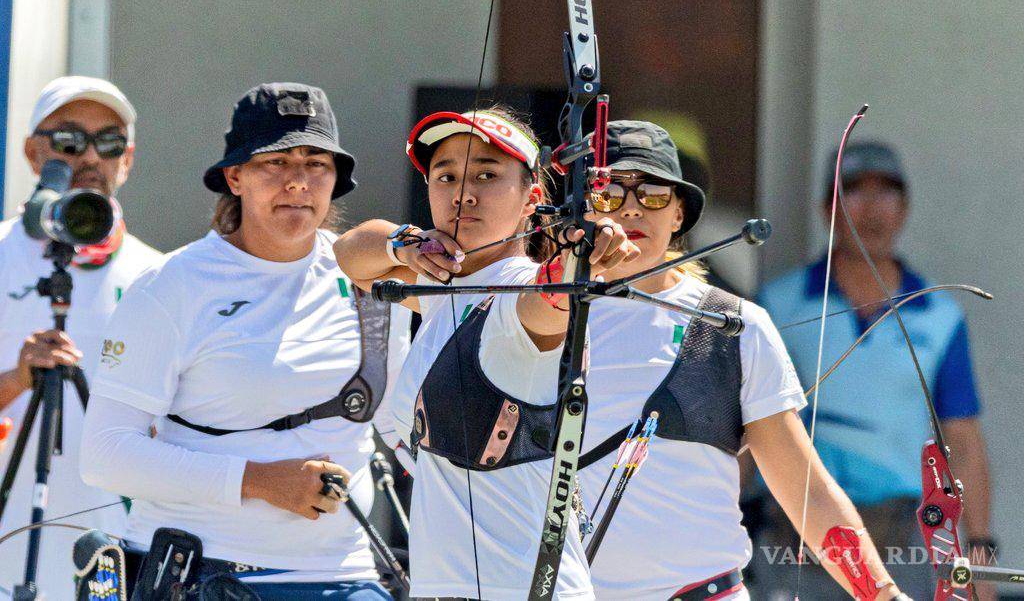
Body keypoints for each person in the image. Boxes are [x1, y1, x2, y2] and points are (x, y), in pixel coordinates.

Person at [80, 83, 410, 599]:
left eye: (316, 163)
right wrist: (260, 481)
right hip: (204, 573)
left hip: (344, 575)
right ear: (235, 177)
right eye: (275, 163)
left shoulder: (371, 282)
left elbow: (403, 425)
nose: (298, 181)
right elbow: (105, 454)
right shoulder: (170, 286)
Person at [575, 122, 911, 600]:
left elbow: (805, 490)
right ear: (582, 211)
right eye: (609, 193)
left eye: (652, 192)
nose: (632, 207)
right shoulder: (535, 315)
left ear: (678, 214)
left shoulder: (735, 325)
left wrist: (882, 595)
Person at [334, 107, 642, 600]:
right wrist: (403, 245)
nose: (463, 193)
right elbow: (350, 253)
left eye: (487, 174)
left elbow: (547, 303)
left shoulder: (516, 296)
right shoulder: (444, 287)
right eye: (446, 176)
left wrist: (579, 257)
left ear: (532, 199)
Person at [757, 140, 993, 600]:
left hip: (906, 542)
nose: (872, 209)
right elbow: (747, 429)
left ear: (904, 209)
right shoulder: (778, 307)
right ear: (828, 208)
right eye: (855, 191)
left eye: (887, 193)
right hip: (798, 542)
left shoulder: (940, 317)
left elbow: (963, 443)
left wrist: (979, 561)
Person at [0, 76, 162, 597]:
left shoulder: (164, 276)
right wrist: (18, 378)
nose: (91, 156)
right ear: (32, 152)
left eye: (109, 142)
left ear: (128, 158)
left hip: (116, 546)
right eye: (69, 140)